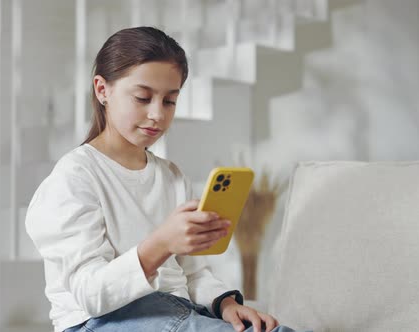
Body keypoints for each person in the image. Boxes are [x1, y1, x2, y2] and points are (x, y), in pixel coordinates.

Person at [25, 27, 302, 332]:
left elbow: (193, 272)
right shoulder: (75, 177)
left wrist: (227, 305)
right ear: (102, 90)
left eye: (169, 101)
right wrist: (160, 244)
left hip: (175, 310)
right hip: (102, 321)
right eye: (143, 98)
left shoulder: (171, 177)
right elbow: (91, 295)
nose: (157, 114)